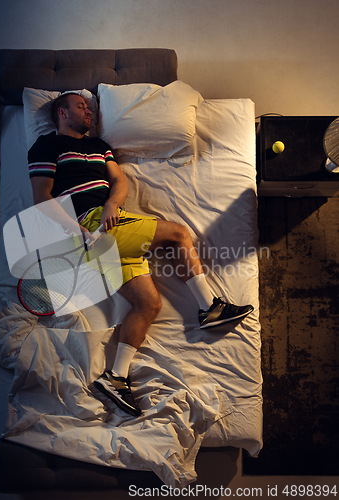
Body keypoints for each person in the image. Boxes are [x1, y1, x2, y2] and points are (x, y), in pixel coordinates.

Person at [28, 92, 253, 417]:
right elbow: (42, 197)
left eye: (89, 107)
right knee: (178, 234)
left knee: (148, 304)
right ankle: (210, 308)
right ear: (62, 112)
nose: (89, 110)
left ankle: (115, 378)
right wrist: (77, 233)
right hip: (87, 228)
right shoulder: (46, 147)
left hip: (109, 222)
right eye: (81, 106)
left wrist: (111, 204)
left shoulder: (98, 145)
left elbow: (118, 181)